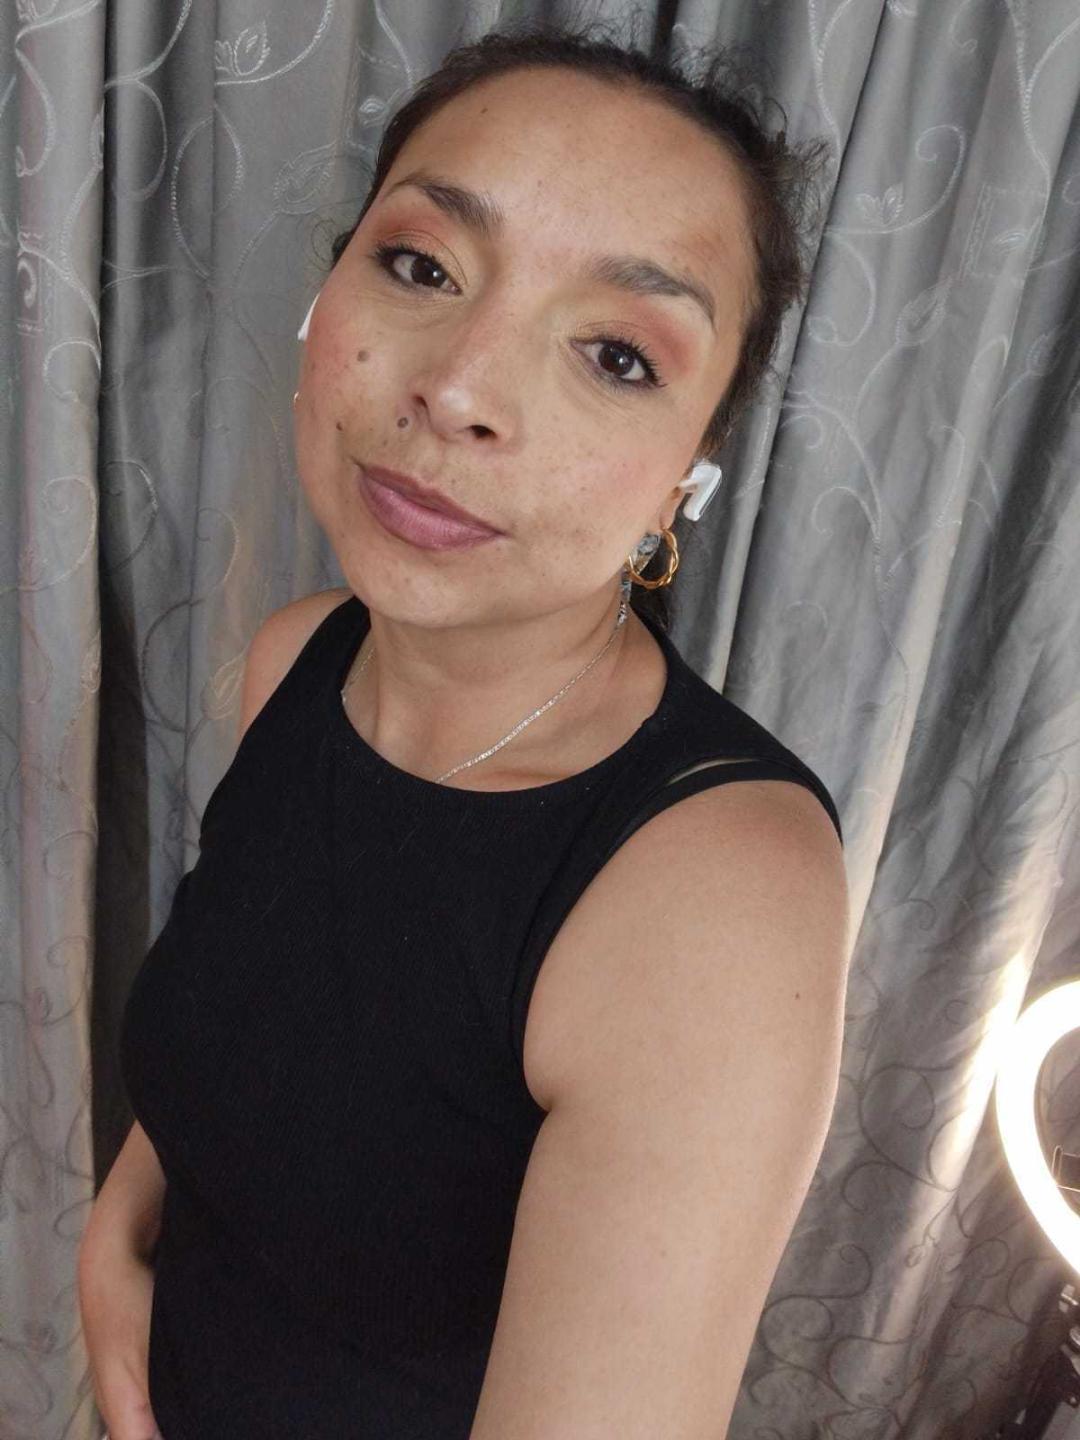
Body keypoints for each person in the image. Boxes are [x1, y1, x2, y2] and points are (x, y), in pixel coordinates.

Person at [79, 16, 850, 1440]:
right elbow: (241, 1036)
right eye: (423, 266)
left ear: (685, 478)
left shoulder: (715, 892)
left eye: (616, 354)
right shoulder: (297, 661)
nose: (459, 390)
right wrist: (120, 1230)